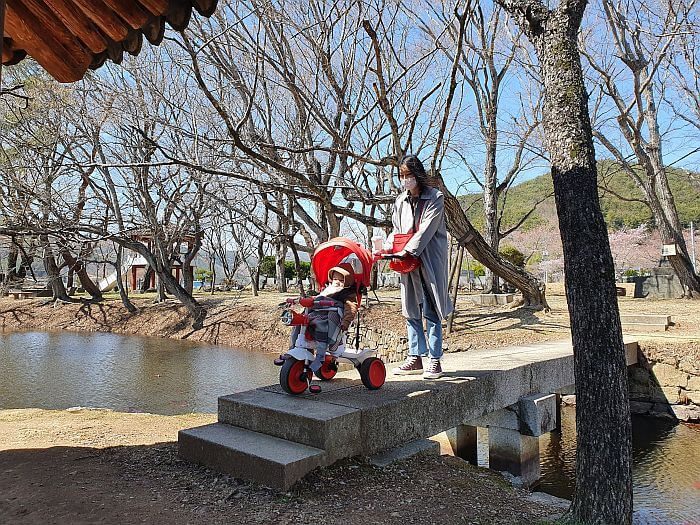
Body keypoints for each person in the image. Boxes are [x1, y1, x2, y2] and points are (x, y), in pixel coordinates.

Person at [386, 155, 452, 379]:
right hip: (407, 261)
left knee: (430, 307)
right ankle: (415, 357)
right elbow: (396, 231)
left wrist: (407, 250)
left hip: (428, 259)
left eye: (408, 175)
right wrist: (386, 248)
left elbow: (426, 230)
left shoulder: (435, 197)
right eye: (401, 176)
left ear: (418, 175)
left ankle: (435, 360)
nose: (405, 180)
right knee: (410, 308)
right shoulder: (400, 201)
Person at [303, 263, 359, 371]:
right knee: (300, 321)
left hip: (331, 318)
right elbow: (318, 299)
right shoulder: (328, 290)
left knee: (320, 325)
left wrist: (346, 321)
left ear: (347, 281)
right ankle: (293, 349)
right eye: (335, 279)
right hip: (317, 313)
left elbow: (351, 307)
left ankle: (320, 356)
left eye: (341, 280)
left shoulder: (347, 293)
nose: (337, 282)